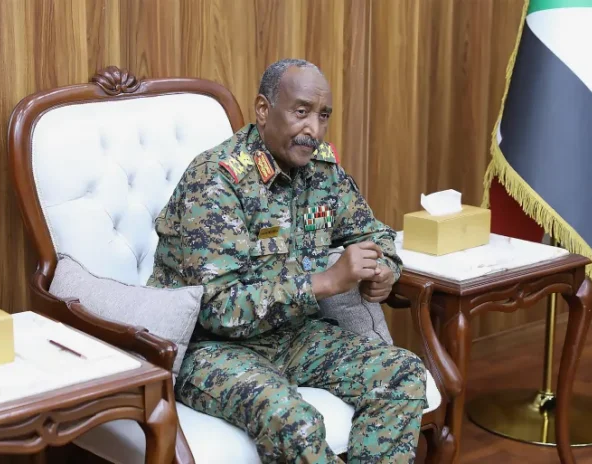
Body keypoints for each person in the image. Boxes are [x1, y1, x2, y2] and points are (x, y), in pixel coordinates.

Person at [149, 58, 427, 464]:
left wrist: (384, 269)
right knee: (294, 420)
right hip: (210, 349)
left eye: (323, 115)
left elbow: (374, 233)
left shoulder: (321, 170)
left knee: (403, 372)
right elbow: (218, 308)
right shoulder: (216, 179)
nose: (313, 128)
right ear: (264, 110)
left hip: (294, 336)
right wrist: (324, 282)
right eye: (301, 112)